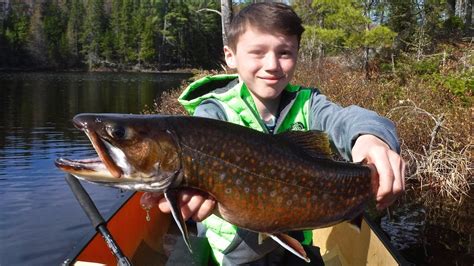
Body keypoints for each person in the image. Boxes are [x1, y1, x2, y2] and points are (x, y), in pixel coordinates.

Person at [159, 2, 405, 265]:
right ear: (230, 56)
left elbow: (347, 119)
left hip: (297, 242)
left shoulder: (309, 105)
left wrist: (371, 137)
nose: (272, 65)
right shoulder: (212, 114)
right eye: (258, 52)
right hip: (237, 255)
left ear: (298, 53)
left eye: (285, 52)